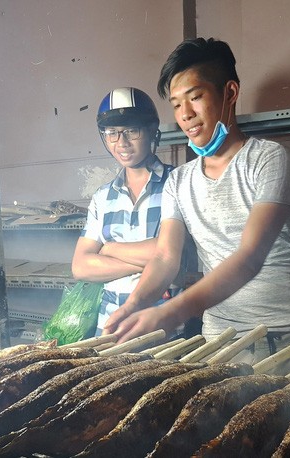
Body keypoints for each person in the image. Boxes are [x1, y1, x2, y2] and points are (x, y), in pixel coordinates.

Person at [103, 38, 290, 370]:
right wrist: (134, 304)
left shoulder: (269, 159)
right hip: (220, 340)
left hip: (287, 335)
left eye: (196, 97)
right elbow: (166, 257)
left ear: (230, 93)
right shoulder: (179, 181)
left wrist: (170, 311)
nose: (186, 115)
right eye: (177, 104)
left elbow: (249, 256)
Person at [71, 87, 185, 336]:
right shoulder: (102, 197)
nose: (121, 143)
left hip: (164, 327)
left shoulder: (177, 183)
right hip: (110, 328)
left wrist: (109, 250)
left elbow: (170, 253)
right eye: (112, 133)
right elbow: (81, 266)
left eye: (131, 131)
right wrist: (145, 263)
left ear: (151, 130)